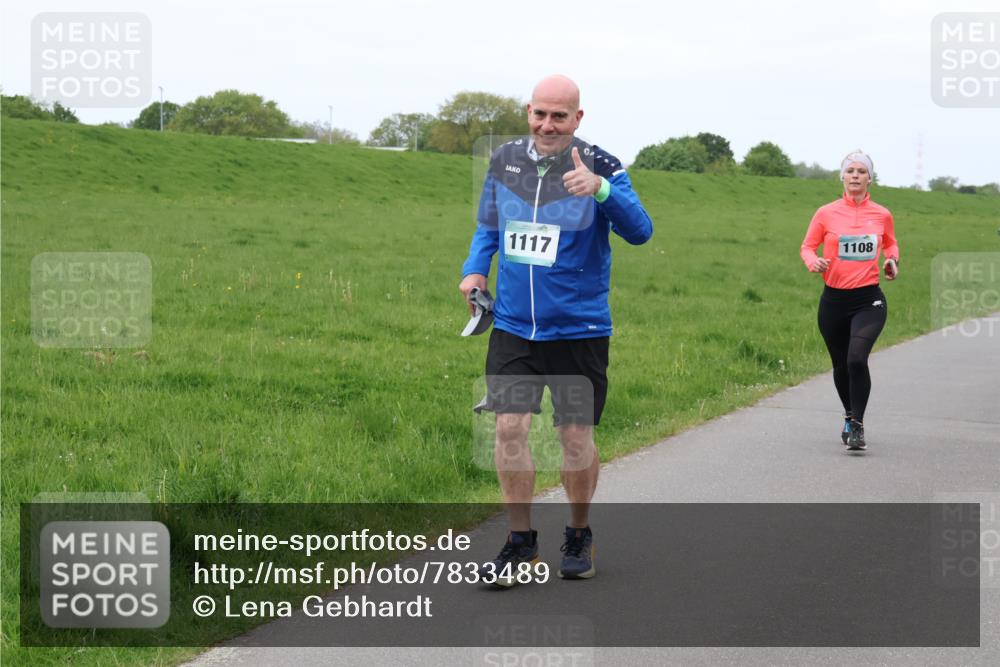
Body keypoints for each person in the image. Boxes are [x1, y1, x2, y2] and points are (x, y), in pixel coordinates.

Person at [459, 75, 653, 585]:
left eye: (559, 116)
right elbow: (488, 225)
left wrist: (601, 190)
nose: (547, 125)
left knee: (573, 438)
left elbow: (640, 231)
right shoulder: (505, 161)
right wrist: (475, 269)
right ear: (528, 111)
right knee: (509, 429)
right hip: (514, 326)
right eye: (540, 114)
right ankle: (520, 543)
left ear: (577, 118)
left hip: (578, 329)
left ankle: (579, 532)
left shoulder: (602, 164)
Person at [800, 150, 899, 451]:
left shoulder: (882, 214)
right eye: (850, 171)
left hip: (868, 300)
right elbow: (807, 247)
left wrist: (891, 261)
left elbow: (891, 243)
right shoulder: (825, 213)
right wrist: (813, 262)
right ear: (842, 176)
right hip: (833, 302)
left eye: (861, 171)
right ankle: (848, 413)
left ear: (870, 178)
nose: (855, 175)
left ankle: (857, 424)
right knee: (841, 365)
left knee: (856, 358)